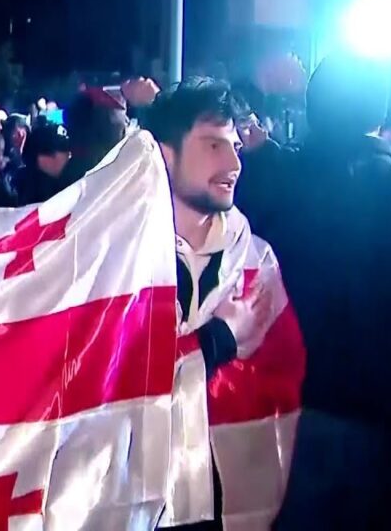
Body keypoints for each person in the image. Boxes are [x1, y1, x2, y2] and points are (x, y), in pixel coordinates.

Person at [235, 51, 391, 530]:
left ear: (311, 108)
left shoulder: (263, 184)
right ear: (381, 112)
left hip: (285, 421)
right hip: (388, 423)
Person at [145, 77, 273, 530]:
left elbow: (279, 387)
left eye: (235, 145)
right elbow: (112, 375)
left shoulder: (255, 261)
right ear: (165, 154)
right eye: (214, 145)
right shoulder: (120, 259)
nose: (234, 162)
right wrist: (217, 340)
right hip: (137, 500)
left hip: (225, 503)